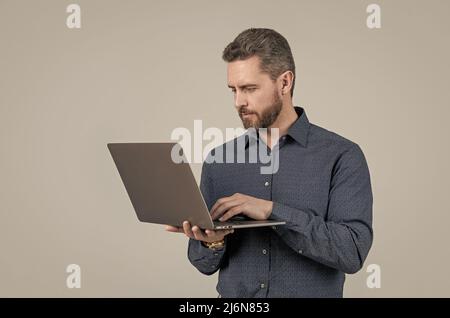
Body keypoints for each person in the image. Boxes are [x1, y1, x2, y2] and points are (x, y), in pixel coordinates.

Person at [166, 28, 373, 298]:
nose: (239, 102)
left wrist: (271, 211)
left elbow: (352, 251)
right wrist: (212, 243)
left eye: (250, 89)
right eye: (234, 90)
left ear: (284, 83)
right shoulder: (218, 161)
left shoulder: (342, 156)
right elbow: (203, 264)